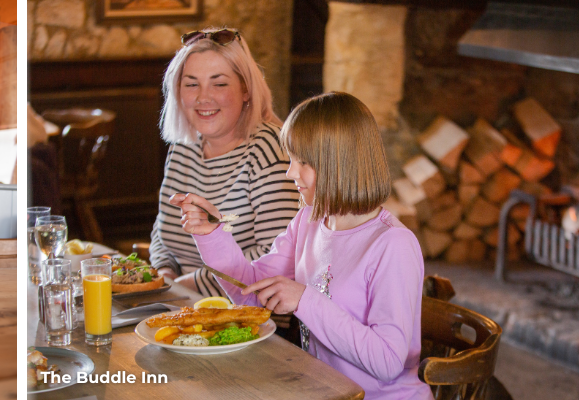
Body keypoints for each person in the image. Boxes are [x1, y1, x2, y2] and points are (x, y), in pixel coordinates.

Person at [173, 92, 431, 399]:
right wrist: (210, 234)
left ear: (341, 163)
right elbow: (253, 293)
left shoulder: (393, 245)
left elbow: (388, 362)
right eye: (292, 159)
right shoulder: (308, 220)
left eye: (304, 162)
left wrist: (304, 300)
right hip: (322, 390)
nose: (290, 172)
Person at [148, 27, 300, 298]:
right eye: (192, 84)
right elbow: (163, 231)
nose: (203, 97)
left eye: (219, 84)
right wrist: (164, 275)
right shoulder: (183, 146)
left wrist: (187, 286)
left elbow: (277, 256)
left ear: (245, 90)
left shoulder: (268, 149)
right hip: (180, 301)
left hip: (249, 313)